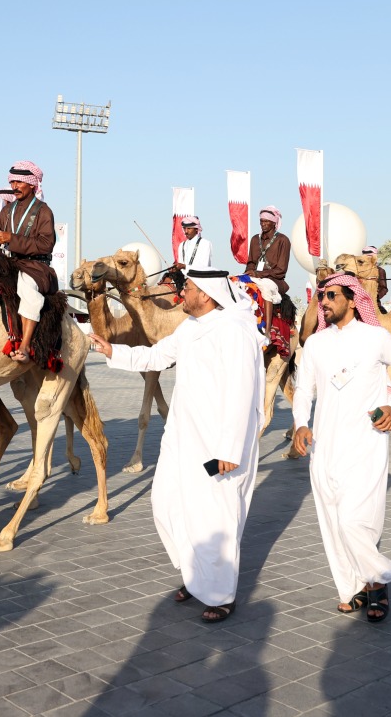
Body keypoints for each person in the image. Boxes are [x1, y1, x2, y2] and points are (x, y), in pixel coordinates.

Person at [88, 267, 266, 623]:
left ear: (207, 295)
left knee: (214, 514)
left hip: (217, 442)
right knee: (167, 504)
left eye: (188, 289)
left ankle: (219, 594)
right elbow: (156, 357)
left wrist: (230, 448)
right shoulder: (190, 328)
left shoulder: (234, 331)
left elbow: (243, 391)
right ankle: (195, 576)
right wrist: (113, 350)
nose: (181, 294)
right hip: (183, 435)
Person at [291, 272, 391, 624]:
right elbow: (303, 390)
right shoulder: (315, 344)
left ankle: (379, 581)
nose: (324, 303)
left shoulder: (376, 337)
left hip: (366, 440)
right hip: (325, 444)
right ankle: (351, 588)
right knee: (332, 520)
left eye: (331, 296)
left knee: (354, 520)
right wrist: (301, 422)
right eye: (321, 297)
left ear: (351, 298)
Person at [0, 161, 56, 363]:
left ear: (32, 184)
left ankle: (25, 344)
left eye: (19, 182)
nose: (14, 186)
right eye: (12, 182)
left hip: (36, 266)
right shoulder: (7, 211)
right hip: (10, 263)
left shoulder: (43, 211)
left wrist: (12, 239)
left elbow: (46, 244)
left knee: (26, 288)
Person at [243, 206, 291, 330]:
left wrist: (259, 274)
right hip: (256, 276)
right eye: (261, 221)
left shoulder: (283, 240)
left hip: (275, 280)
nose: (263, 224)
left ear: (274, 222)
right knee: (235, 283)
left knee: (265, 286)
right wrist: (249, 272)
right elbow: (251, 262)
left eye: (266, 221)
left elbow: (281, 270)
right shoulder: (255, 239)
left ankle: (268, 330)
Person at [362, 246, 389, 313]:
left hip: (375, 304)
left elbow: (384, 289)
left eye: (370, 256)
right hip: (359, 303)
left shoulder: (380, 271)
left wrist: (375, 296)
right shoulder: (359, 271)